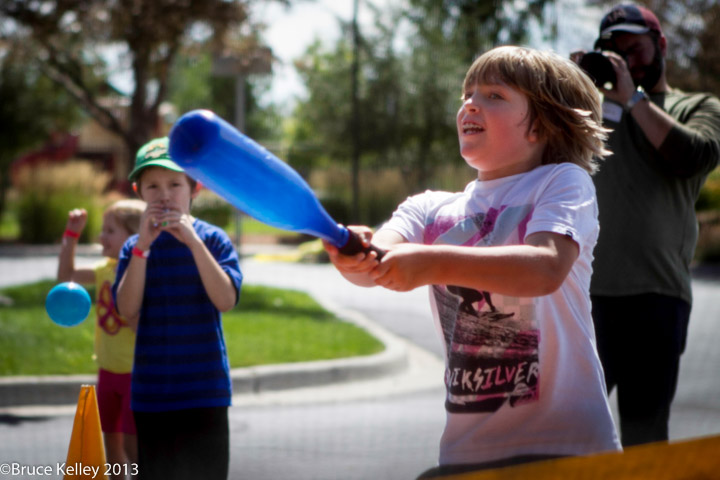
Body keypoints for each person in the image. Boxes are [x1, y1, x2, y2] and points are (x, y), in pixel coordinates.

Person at [324, 46, 622, 477]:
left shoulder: (562, 182)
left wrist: (432, 263)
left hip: (569, 446)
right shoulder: (428, 207)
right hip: (467, 454)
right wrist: (357, 254)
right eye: (467, 94)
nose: (470, 104)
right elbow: (377, 264)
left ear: (542, 125)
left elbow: (545, 267)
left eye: (494, 95)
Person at [573, 4, 720, 447]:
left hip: (657, 298)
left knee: (644, 439)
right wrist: (566, 88)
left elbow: (693, 156)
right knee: (569, 438)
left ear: (662, 45)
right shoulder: (590, 113)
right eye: (615, 54)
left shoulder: (696, 105)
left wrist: (632, 99)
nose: (627, 62)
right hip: (583, 299)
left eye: (634, 50)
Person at [113, 137, 243, 480]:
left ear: (194, 188)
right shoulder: (133, 247)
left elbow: (226, 300)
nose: (164, 196)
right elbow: (126, 308)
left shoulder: (213, 240)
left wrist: (193, 242)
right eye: (152, 186)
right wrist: (142, 247)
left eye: (174, 184)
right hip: (153, 395)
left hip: (206, 392)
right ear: (139, 192)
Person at [57, 199, 146, 479]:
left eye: (110, 231)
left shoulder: (141, 273)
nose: (100, 236)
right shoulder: (104, 269)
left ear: (134, 236)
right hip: (107, 372)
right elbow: (66, 278)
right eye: (102, 230)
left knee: (132, 445)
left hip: (136, 375)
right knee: (110, 441)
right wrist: (71, 236)